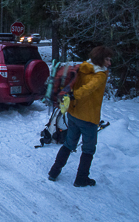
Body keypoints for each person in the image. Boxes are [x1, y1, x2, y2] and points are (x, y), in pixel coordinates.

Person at [48, 46, 113, 187]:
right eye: (107, 60)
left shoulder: (83, 67)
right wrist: (74, 95)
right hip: (88, 118)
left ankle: (53, 172)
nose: (109, 63)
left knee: (69, 144)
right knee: (89, 149)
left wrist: (71, 96)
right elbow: (89, 88)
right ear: (100, 60)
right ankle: (81, 179)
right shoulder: (101, 74)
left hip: (73, 113)